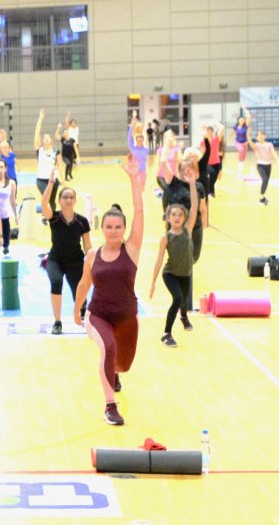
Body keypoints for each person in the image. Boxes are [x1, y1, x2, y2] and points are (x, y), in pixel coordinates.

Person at [75, 160, 147, 425]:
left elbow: (139, 211)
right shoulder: (93, 255)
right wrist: (76, 309)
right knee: (108, 346)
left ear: (124, 229)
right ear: (102, 229)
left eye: (118, 227)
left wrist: (133, 178)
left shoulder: (132, 250)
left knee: (123, 365)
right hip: (98, 315)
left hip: (127, 317)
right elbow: (84, 285)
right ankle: (110, 406)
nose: (114, 231)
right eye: (109, 227)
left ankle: (114, 373)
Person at [146, 171, 198, 346]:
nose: (176, 217)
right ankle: (166, 333)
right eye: (173, 214)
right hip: (170, 274)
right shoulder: (165, 237)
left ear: (184, 218)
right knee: (177, 299)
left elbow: (195, 205)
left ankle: (183, 316)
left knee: (183, 300)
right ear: (168, 217)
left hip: (186, 273)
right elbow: (159, 261)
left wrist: (191, 183)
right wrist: (153, 283)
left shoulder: (188, 230)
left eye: (180, 215)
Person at [41, 163, 91, 334]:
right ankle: (57, 322)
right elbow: (44, 203)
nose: (68, 200)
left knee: (79, 289)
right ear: (60, 201)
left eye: (71, 197)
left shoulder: (82, 221)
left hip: (76, 261)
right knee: (56, 282)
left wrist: (91, 263)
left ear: (75, 200)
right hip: (55, 260)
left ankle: (82, 311)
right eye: (65, 197)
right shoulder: (53, 218)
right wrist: (50, 183)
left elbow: (87, 245)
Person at [252, 132, 276, 205]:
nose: (260, 136)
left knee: (266, 181)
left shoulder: (269, 144)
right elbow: (250, 142)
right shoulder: (256, 145)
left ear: (265, 136)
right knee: (264, 179)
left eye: (262, 135)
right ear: (257, 138)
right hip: (260, 165)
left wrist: (278, 161)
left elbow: (273, 152)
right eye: (258, 135)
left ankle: (262, 198)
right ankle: (261, 197)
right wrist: (248, 134)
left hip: (268, 165)